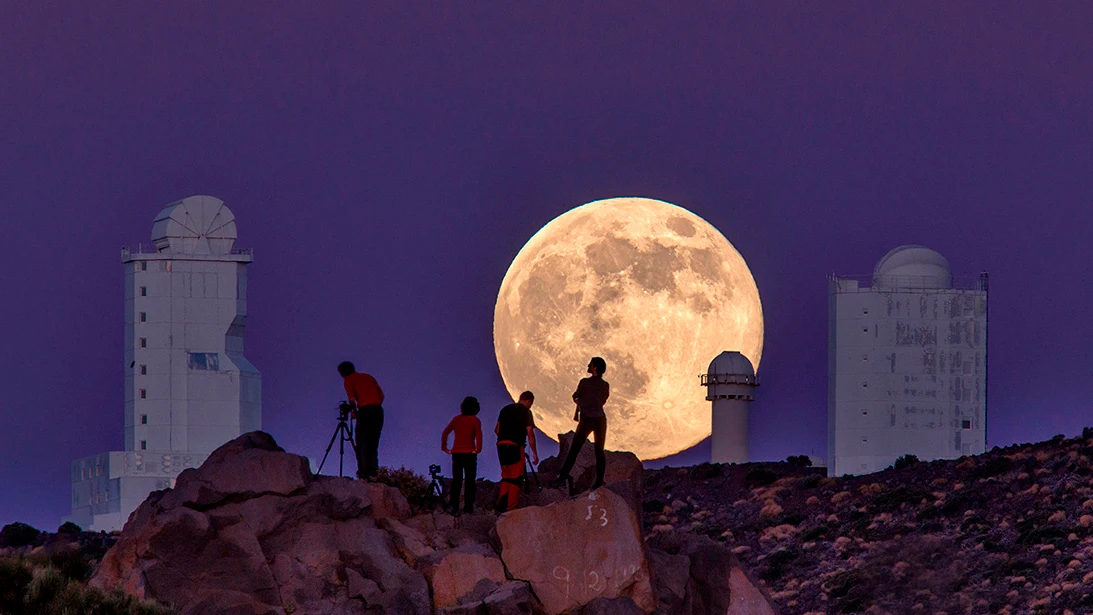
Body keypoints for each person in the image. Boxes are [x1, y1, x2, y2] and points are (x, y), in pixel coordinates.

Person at [553, 357, 610, 493]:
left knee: (574, 450)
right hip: (600, 419)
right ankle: (599, 482)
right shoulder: (605, 385)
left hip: (586, 419)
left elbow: (575, 396)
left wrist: (580, 403)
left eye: (590, 364)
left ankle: (562, 479)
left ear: (595, 368)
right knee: (599, 451)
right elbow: (602, 401)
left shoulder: (584, 382)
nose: (588, 365)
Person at [338, 361, 385, 480]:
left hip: (365, 411)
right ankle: (374, 471)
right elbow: (381, 395)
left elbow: (352, 400)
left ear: (342, 373)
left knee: (362, 441)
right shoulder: (368, 377)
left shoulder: (348, 380)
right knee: (373, 442)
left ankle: (364, 472)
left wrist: (354, 411)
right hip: (378, 411)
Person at [495, 390, 539, 513]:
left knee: (506, 476)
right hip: (515, 446)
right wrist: (534, 453)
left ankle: (500, 506)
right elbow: (530, 433)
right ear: (529, 401)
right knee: (516, 477)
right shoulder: (526, 412)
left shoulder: (505, 409)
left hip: (501, 445)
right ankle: (510, 508)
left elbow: (497, 429)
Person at [441, 396, 483, 515]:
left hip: (457, 453)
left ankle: (453, 506)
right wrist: (478, 449)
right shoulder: (475, 420)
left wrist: (445, 448)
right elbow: (479, 435)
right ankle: (468, 507)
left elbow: (445, 432)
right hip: (469, 453)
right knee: (470, 480)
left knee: (456, 480)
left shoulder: (456, 419)